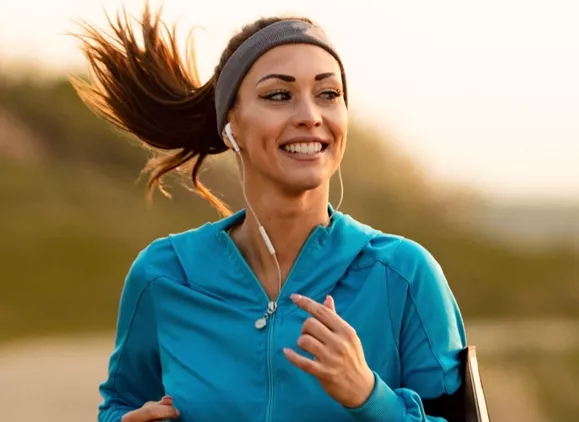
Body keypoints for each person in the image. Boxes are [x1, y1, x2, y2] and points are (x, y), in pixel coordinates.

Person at [73, 4, 467, 422]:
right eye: (278, 95)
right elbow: (119, 405)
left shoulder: (402, 274)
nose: (310, 116)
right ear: (231, 126)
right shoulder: (164, 274)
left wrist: (369, 397)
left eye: (328, 94)